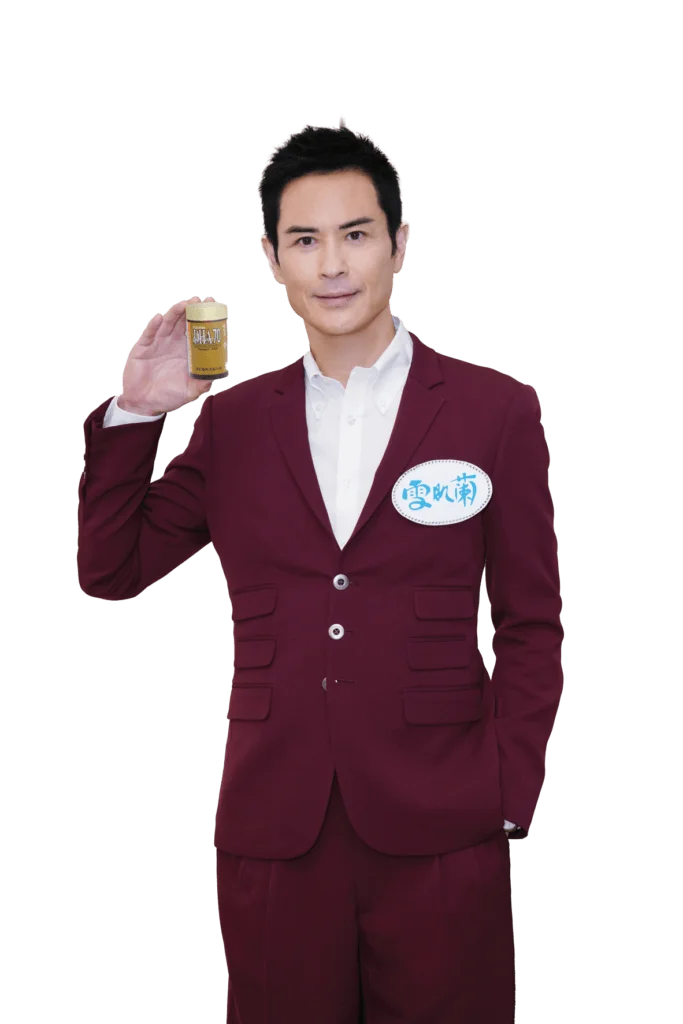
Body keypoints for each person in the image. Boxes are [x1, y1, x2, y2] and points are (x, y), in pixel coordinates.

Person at [77, 122, 564, 1023]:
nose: (332, 265)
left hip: (444, 822)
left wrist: (506, 789)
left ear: (399, 242)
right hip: (277, 826)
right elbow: (110, 569)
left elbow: (531, 619)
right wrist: (138, 412)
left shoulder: (494, 410)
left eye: (355, 234)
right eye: (304, 240)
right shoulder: (234, 422)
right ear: (271, 258)